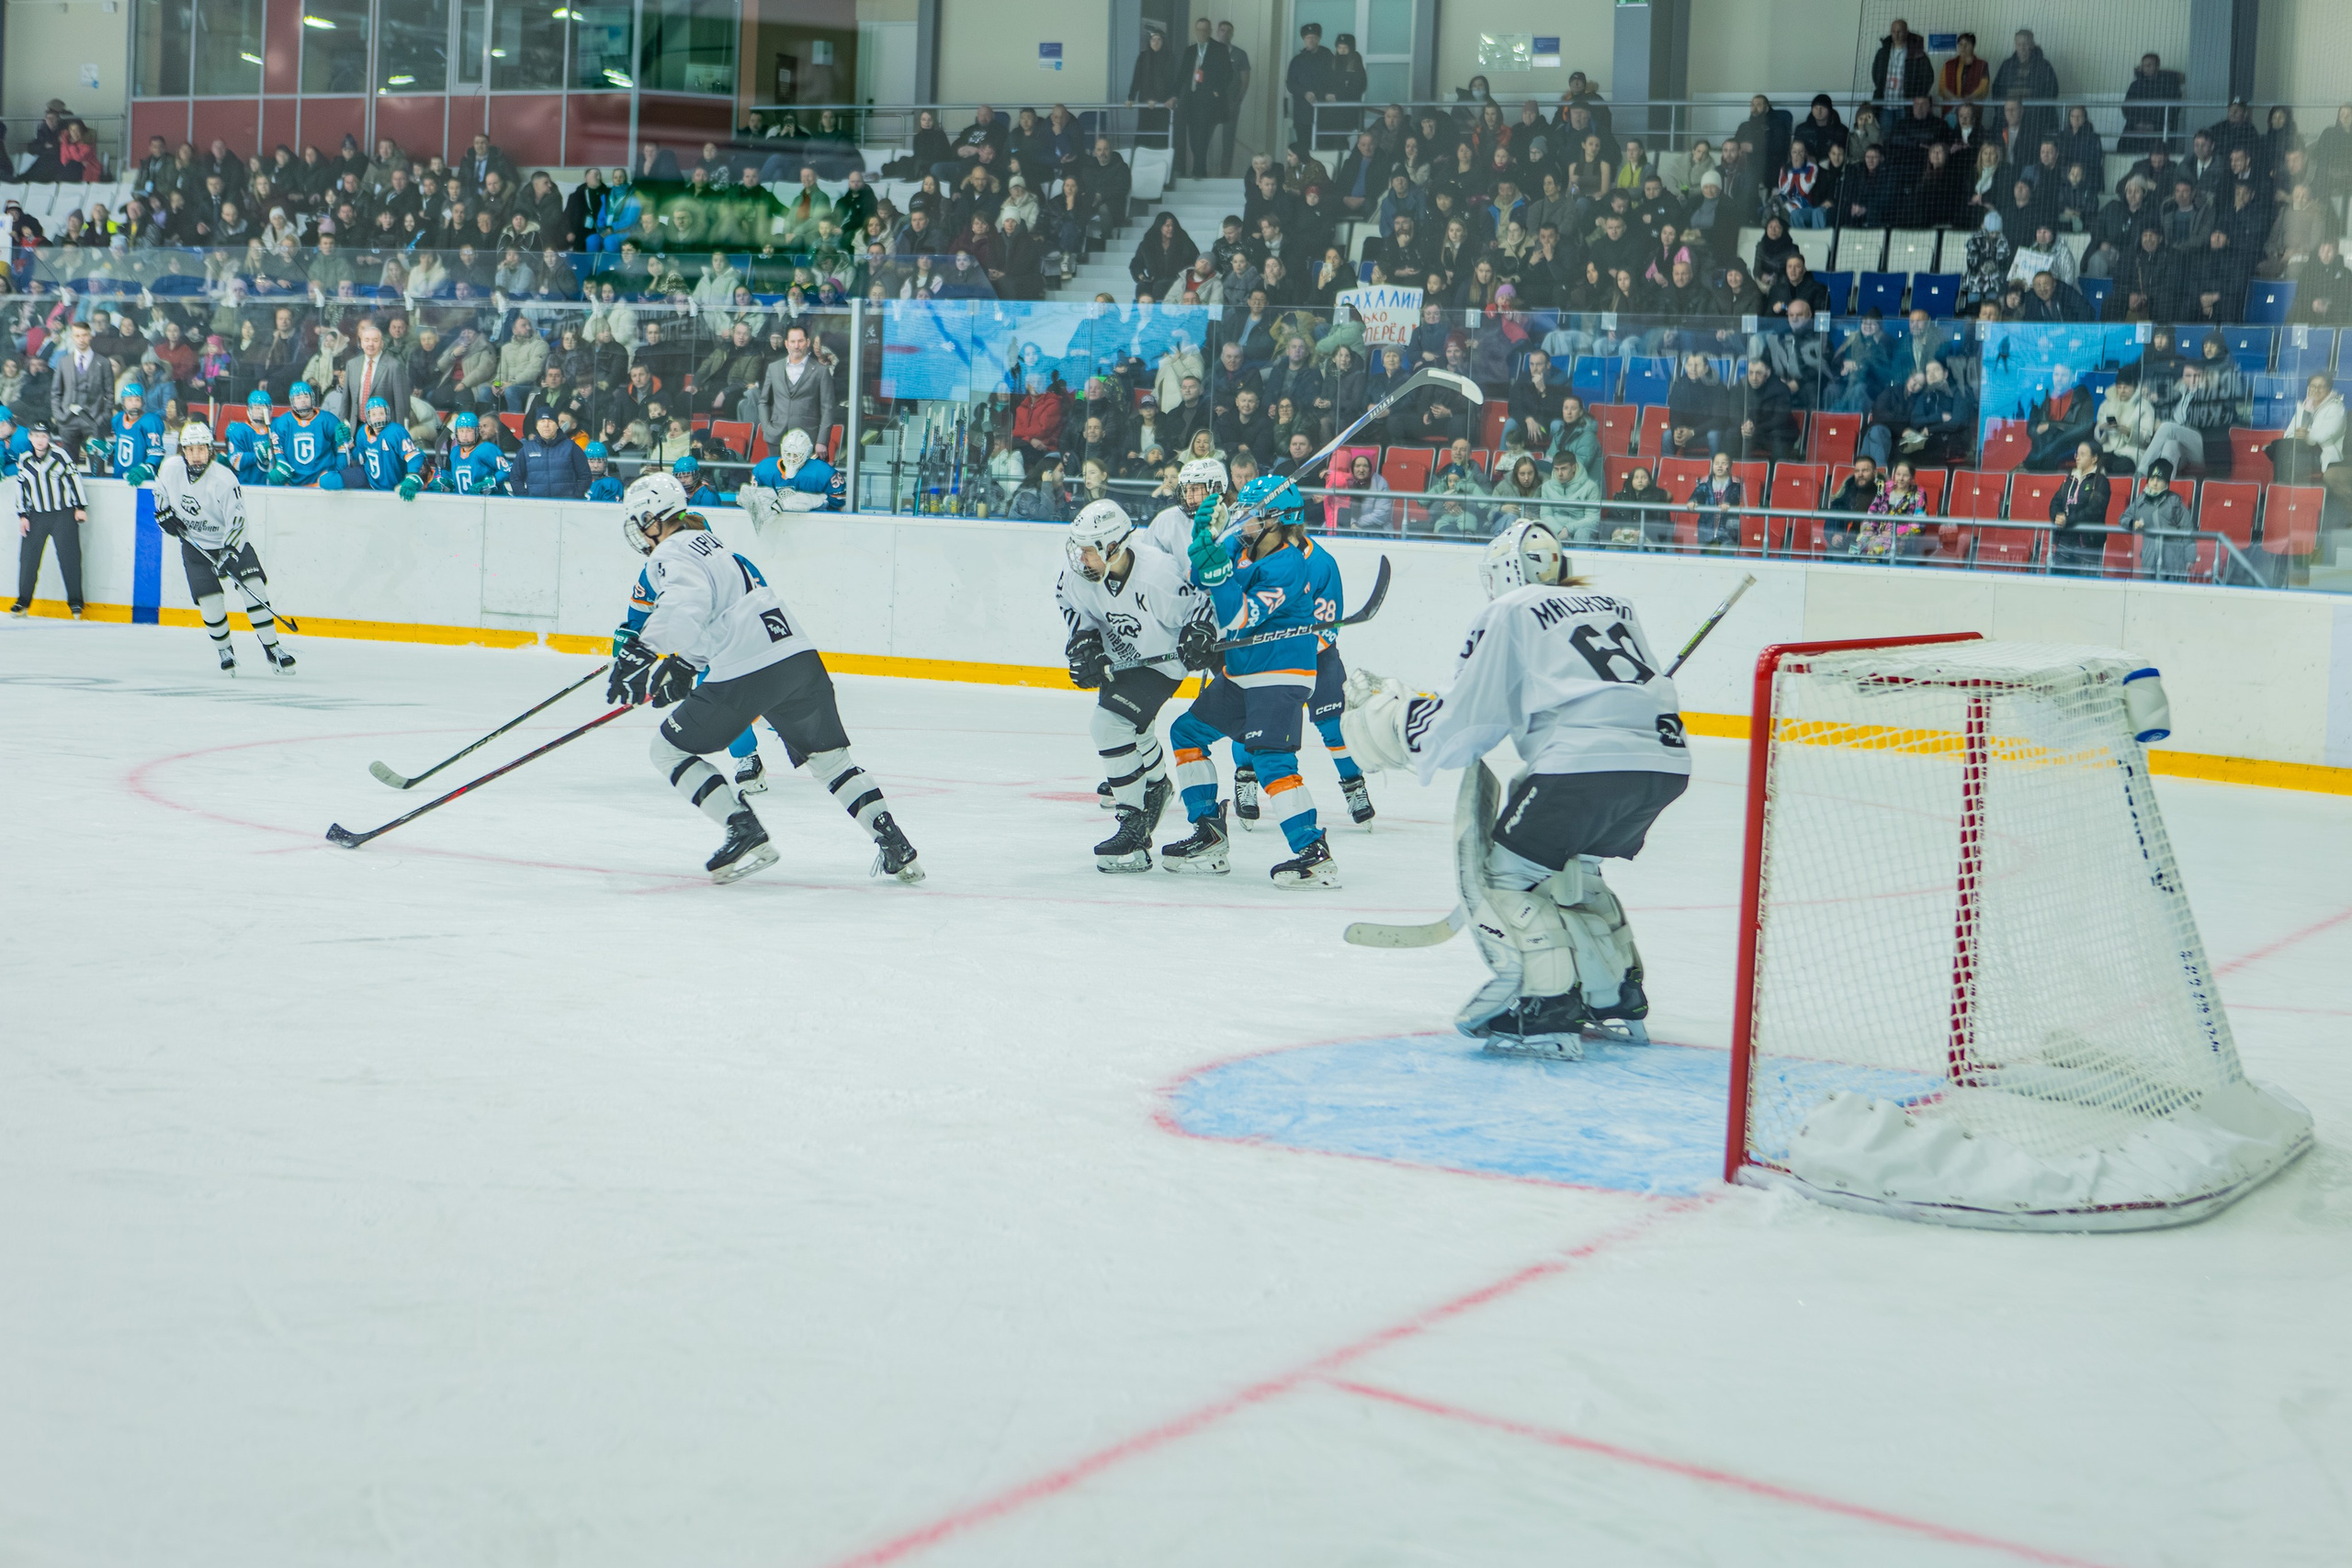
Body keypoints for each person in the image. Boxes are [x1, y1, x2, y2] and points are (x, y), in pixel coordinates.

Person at [1338, 522, 1688, 1055]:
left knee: (1503, 882)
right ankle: (1614, 991)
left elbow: (1468, 718)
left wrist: (1401, 722)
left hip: (1583, 764)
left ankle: (1545, 1003)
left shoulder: (1510, 610)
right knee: (1576, 872)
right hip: (1664, 764)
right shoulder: (1616, 603)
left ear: (1503, 571)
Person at [609, 472, 922, 885]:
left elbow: (686, 607)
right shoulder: (715, 545)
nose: (641, 533)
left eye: (641, 521)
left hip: (747, 669)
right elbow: (720, 610)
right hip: (797, 659)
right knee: (831, 763)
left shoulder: (668, 553)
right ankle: (896, 845)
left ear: (654, 516)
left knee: (667, 751)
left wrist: (643, 650)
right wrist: (686, 662)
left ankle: (744, 830)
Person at [1161, 474, 1339, 886]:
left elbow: (1238, 616)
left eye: (1252, 513)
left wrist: (1220, 576)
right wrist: (1203, 534)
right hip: (1242, 673)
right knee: (1187, 733)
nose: (1242, 519)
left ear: (1276, 519)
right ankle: (1209, 835)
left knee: (1270, 759)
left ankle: (1314, 854)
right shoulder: (1239, 546)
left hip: (1281, 675)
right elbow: (1200, 575)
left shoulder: (1289, 565)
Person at [1057, 499, 1212, 871]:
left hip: (1161, 664)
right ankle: (1156, 785)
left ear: (1114, 547)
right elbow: (1070, 604)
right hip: (1121, 658)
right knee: (1135, 733)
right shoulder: (1080, 573)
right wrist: (1084, 644)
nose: (1080, 558)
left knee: (1109, 725)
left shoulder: (1158, 575)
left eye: (1089, 550)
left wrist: (1201, 633)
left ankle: (1133, 826)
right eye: (1077, 547)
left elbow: (1201, 605)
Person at [150, 423, 294, 673]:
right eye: (190, 449)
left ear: (210, 450)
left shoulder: (224, 479)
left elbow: (238, 520)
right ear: (183, 451)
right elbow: (159, 492)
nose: (196, 455)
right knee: (210, 600)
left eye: (201, 449)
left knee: (255, 590)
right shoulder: (170, 469)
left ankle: (273, 649)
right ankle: (225, 651)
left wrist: (229, 552)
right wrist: (163, 516)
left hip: (230, 544)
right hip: (195, 547)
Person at [9, 422, 89, 621]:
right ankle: (23, 601)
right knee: (28, 559)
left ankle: (75, 602)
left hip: (62, 514)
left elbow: (74, 479)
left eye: (43, 436)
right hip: (36, 516)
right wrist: (22, 516)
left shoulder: (60, 456)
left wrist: (80, 507)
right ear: (30, 438)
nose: (39, 440)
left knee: (69, 558)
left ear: (49, 438)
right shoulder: (25, 460)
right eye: (36, 436)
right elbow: (21, 489)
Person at [738, 428, 844, 525]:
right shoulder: (765, 470)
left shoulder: (822, 472)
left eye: (797, 455)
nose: (792, 458)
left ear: (807, 454)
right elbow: (754, 501)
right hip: (776, 525)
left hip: (813, 523)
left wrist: (816, 501)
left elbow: (838, 500)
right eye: (788, 454)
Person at [757, 323, 834, 454]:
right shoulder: (773, 368)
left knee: (804, 475)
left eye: (800, 341)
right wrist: (767, 429)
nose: (796, 346)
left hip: (808, 439)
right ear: (786, 344)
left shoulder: (821, 371)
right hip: (776, 439)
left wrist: (822, 441)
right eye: (792, 341)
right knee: (777, 474)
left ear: (807, 342)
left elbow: (828, 408)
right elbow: (763, 402)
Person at [2118, 459, 2195, 581]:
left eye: (2159, 479)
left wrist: (2190, 558)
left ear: (2166, 483)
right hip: (2149, 558)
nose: (2154, 483)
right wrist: (2132, 523)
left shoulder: (2175, 503)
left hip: (2173, 560)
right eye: (2151, 479)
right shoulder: (2141, 501)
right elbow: (2123, 518)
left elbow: (2188, 530)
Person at [269, 381, 351, 488]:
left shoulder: (328, 420)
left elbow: (341, 448)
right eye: (298, 397)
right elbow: (277, 449)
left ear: (312, 398)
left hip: (322, 484)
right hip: (292, 485)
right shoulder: (283, 422)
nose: (303, 400)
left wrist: (338, 472)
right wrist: (281, 466)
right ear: (292, 400)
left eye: (306, 396)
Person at [2047, 441, 2112, 574]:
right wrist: (2057, 516)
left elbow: (2094, 511)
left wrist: (2068, 520)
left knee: (2085, 585)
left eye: (2083, 454)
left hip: (2088, 543)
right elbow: (2055, 502)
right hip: (2064, 541)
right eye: (2077, 454)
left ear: (2094, 459)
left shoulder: (2101, 482)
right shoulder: (2070, 479)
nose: (2077, 457)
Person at [2022, 363, 2095, 471]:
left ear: (2072, 377)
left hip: (2070, 444)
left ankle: (2029, 468)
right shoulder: (2041, 397)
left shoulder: (2082, 398)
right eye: (2056, 374)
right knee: (2046, 446)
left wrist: (2052, 426)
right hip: (2043, 444)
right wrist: (2038, 431)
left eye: (2064, 375)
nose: (2059, 379)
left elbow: (2083, 427)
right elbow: (2031, 428)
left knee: (2050, 450)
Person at [352, 395, 425, 497]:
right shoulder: (362, 433)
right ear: (368, 416)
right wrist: (347, 446)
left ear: (387, 414)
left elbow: (414, 456)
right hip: (371, 485)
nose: (378, 417)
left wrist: (413, 475)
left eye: (381, 413)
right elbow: (360, 456)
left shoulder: (395, 431)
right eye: (373, 414)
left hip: (395, 487)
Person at [516, 409, 590, 498]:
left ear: (557, 425)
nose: (546, 425)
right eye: (542, 421)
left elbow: (585, 476)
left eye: (550, 421)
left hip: (565, 506)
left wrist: (575, 497)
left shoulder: (572, 448)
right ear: (536, 426)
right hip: (535, 506)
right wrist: (525, 498)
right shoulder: (526, 449)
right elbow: (515, 478)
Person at [435, 411, 511, 495]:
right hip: (464, 503)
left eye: (469, 431)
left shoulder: (487, 449)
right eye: (461, 431)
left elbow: (507, 469)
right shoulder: (455, 452)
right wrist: (447, 482)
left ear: (476, 431)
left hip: (490, 503)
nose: (464, 435)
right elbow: (456, 479)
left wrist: (489, 483)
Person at [106, 382, 169, 482]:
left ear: (143, 402)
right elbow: (122, 450)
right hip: (118, 478)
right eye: (130, 400)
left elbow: (157, 451)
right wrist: (108, 450)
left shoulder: (150, 421)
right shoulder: (118, 419)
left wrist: (147, 468)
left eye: (137, 399)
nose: (134, 403)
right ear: (123, 402)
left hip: (142, 481)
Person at [226, 390, 277, 486]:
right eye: (257, 408)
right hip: (248, 486)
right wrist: (258, 454)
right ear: (249, 409)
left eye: (264, 407)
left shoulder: (277, 427)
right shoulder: (239, 431)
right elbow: (236, 462)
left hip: (273, 487)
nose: (261, 411)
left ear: (270, 409)